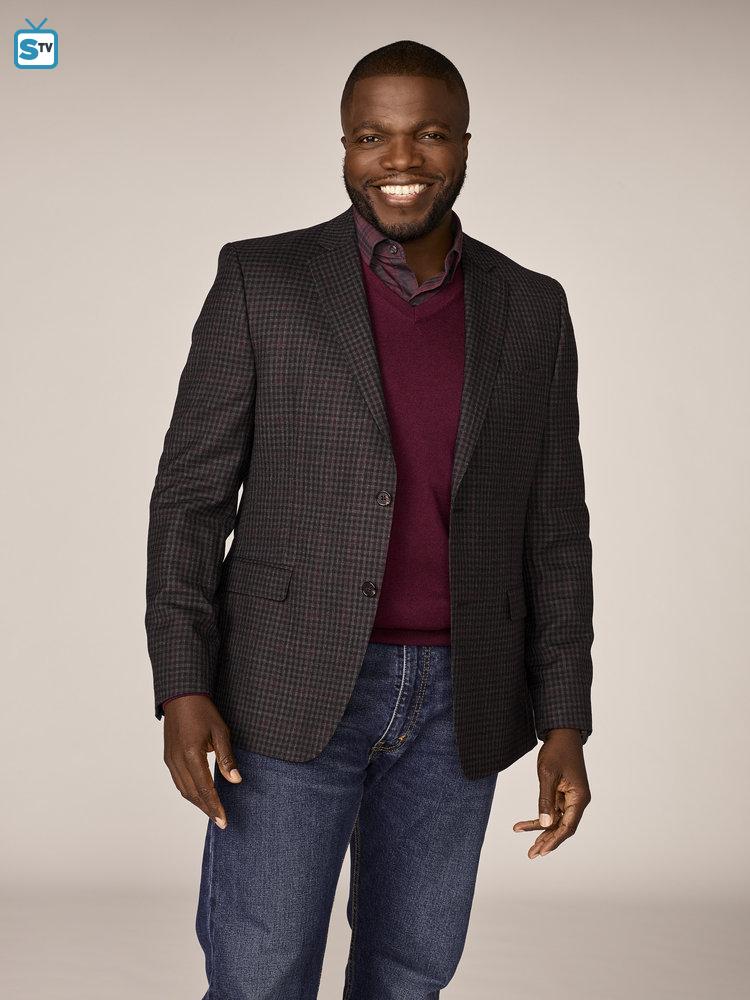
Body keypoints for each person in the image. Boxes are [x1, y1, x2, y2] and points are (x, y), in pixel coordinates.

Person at [145, 38, 594, 1000]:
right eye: (371, 137)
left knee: (410, 973)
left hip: (463, 700)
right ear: (344, 146)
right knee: (260, 974)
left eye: (428, 134)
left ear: (464, 144)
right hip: (285, 687)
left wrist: (564, 718)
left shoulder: (531, 308)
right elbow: (188, 501)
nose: (400, 158)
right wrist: (182, 683)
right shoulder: (262, 281)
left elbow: (556, 533)